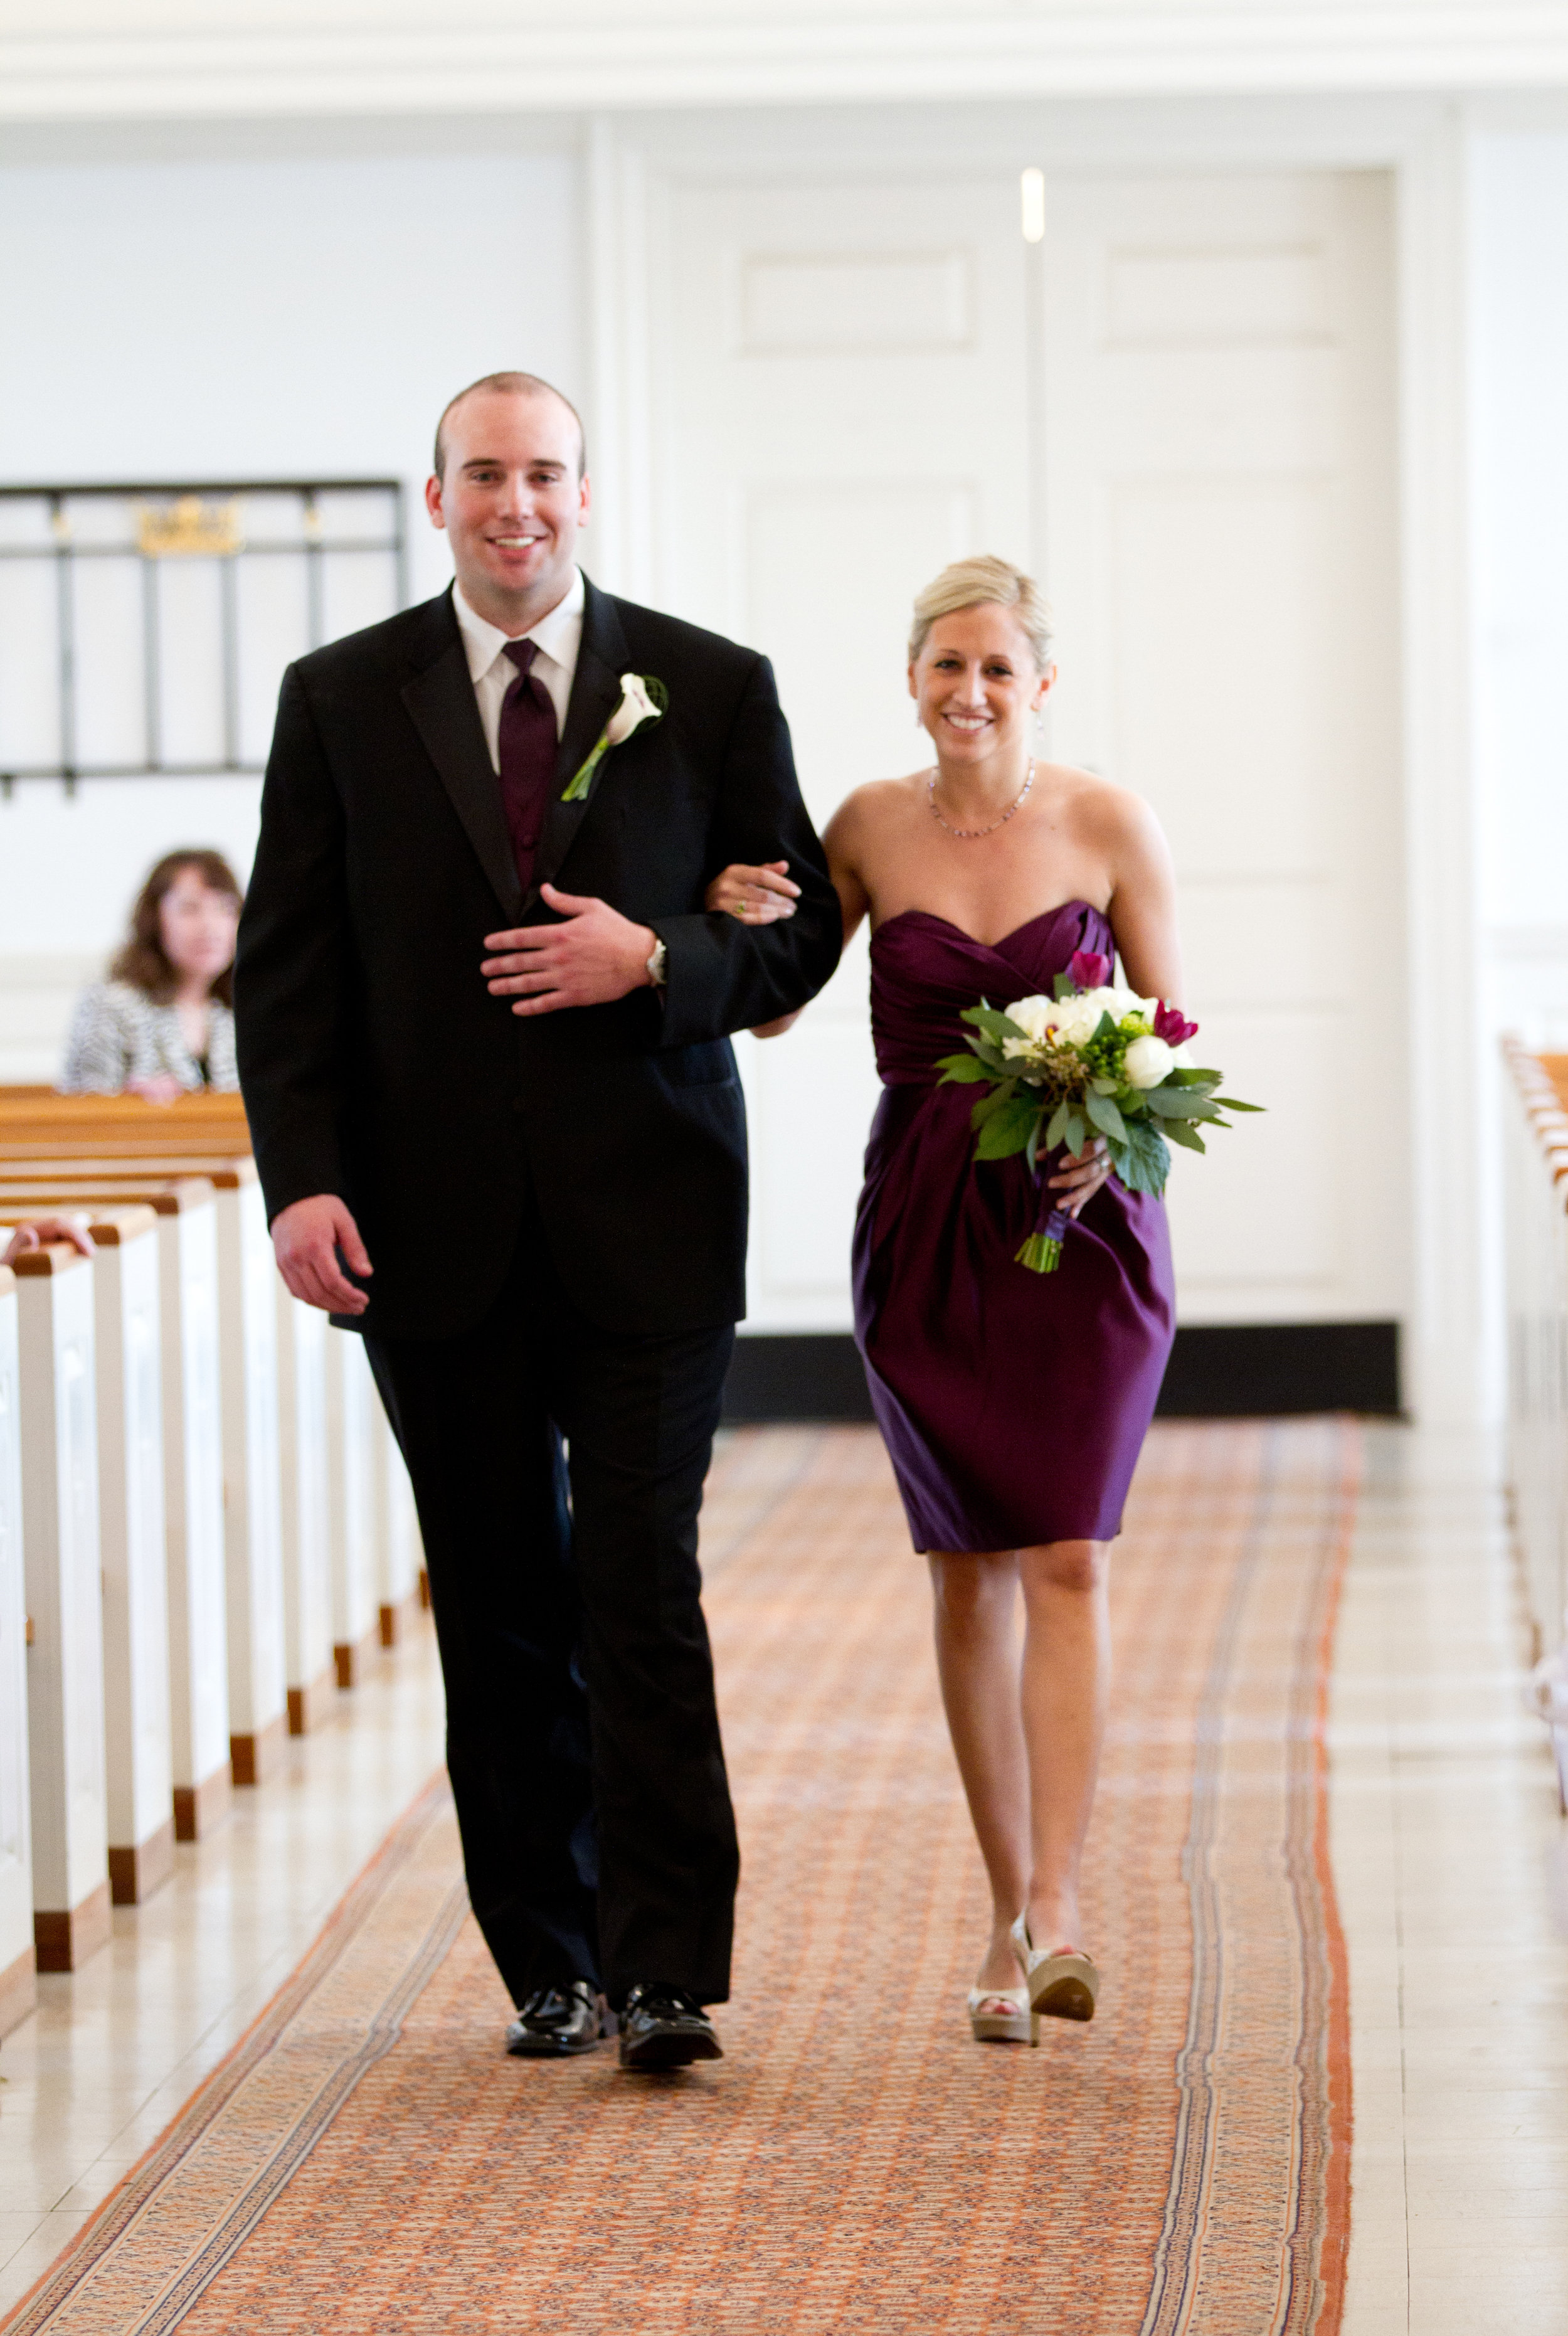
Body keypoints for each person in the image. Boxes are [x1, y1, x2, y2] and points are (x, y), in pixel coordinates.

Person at [235, 371, 840, 2072]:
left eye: (547, 474)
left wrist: (653, 958)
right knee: (498, 1591)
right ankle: (547, 1959)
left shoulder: (710, 687)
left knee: (639, 1581)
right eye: (485, 473)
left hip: (647, 1206)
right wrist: (304, 1177)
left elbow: (796, 937)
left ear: (590, 494)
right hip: (426, 1229)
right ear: (436, 498)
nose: (519, 502)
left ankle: (665, 1968)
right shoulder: (341, 696)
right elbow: (287, 975)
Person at [706, 555, 1180, 2044]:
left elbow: (1172, 1026)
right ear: (911, 680)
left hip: (1081, 1223)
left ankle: (1062, 1902)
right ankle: (1000, 1905)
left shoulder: (1106, 821)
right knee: (965, 1564)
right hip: (922, 1219)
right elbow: (776, 997)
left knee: (1070, 1557)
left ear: (1042, 682)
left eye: (997, 668)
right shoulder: (863, 825)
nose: (969, 692)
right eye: (944, 667)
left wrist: (1101, 1142)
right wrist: (725, 904)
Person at [61, 849, 243, 1102]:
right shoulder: (111, 1005)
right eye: (190, 909)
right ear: (154, 919)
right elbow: (80, 1114)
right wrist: (128, 1100)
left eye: (225, 908)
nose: (210, 925)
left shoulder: (243, 1012)